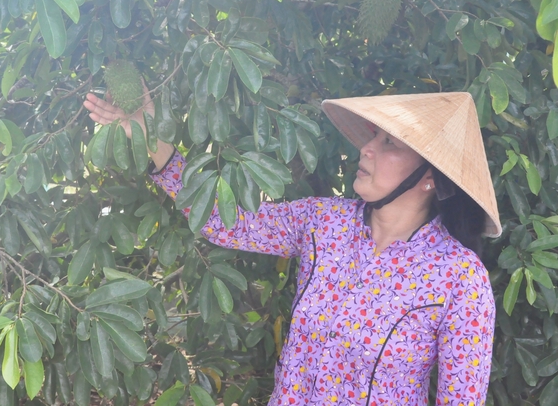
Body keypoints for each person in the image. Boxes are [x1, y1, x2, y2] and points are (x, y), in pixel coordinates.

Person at [83, 90, 499, 406]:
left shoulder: (460, 279)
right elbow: (229, 223)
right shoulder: (325, 222)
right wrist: (149, 136)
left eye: (390, 143)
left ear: (431, 178)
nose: (367, 148)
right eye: (374, 137)